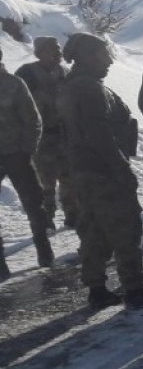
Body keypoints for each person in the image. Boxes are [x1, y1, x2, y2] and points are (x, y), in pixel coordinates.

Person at [57, 33, 143, 309]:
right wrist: (121, 169)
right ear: (86, 56)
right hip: (104, 172)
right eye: (102, 56)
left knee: (94, 230)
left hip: (84, 171)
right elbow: (100, 136)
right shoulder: (89, 89)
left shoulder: (73, 86)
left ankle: (97, 287)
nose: (108, 62)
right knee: (125, 228)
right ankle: (134, 288)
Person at [0, 42, 54, 281]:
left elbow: (33, 120)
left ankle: (44, 250)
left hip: (16, 154)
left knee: (33, 203)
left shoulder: (13, 84)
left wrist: (26, 150)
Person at [16, 37, 75, 230]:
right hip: (42, 138)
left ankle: (72, 214)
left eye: (58, 49)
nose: (57, 53)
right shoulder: (27, 73)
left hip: (64, 135)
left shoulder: (65, 72)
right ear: (39, 52)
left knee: (69, 177)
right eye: (52, 49)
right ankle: (46, 218)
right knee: (45, 182)